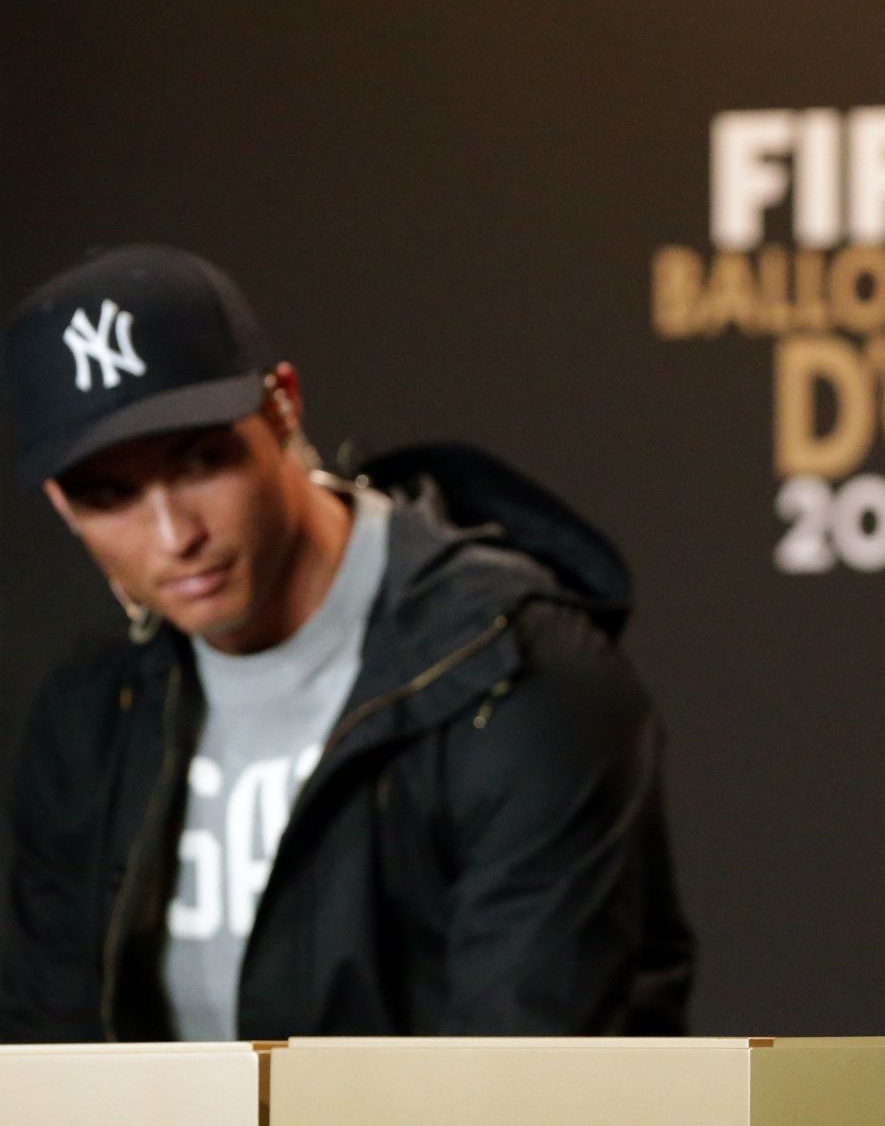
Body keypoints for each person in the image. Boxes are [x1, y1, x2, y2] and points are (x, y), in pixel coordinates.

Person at [0, 244, 693, 1040]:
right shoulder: (95, 715)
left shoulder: (515, 671)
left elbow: (529, 1069)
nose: (173, 535)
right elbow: (51, 1061)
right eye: (109, 496)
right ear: (60, 503)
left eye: (200, 463)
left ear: (283, 407)